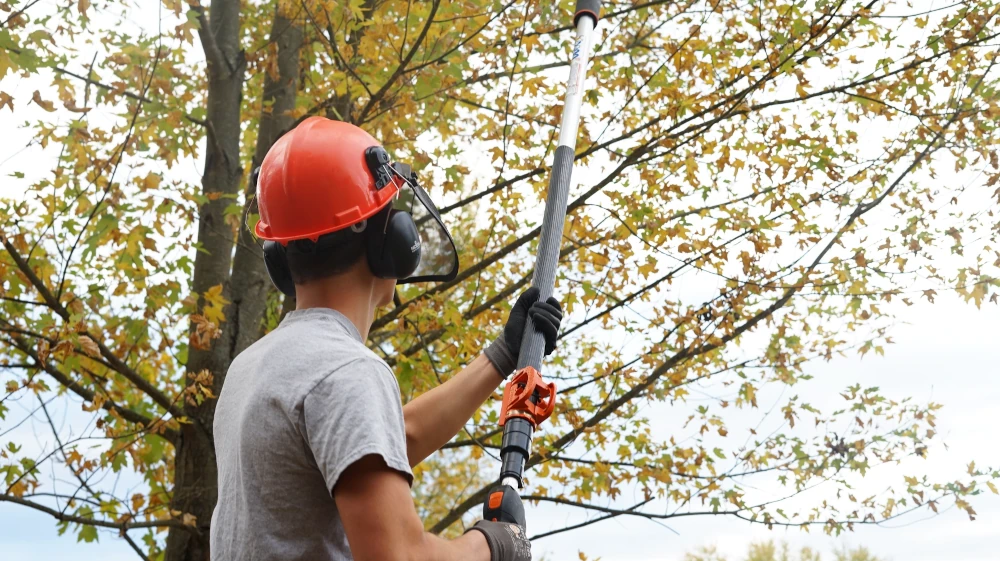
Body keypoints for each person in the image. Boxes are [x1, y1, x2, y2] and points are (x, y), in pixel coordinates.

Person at [210, 116, 563, 561]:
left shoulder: (254, 368)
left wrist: (501, 355)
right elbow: (399, 556)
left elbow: (390, 437)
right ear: (389, 243)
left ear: (280, 254)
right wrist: (494, 544)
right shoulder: (347, 373)